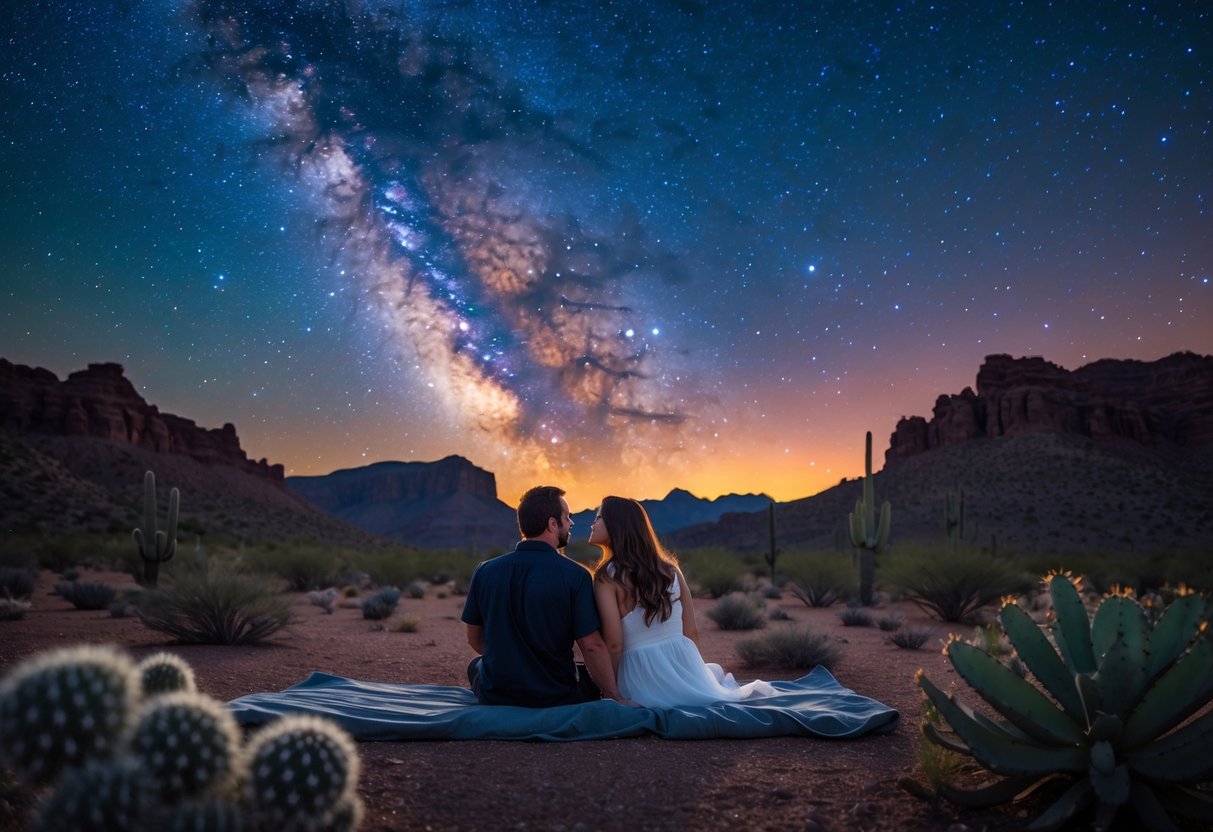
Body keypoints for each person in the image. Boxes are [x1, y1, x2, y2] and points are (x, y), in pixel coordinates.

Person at [589, 496, 776, 708]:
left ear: (617, 524)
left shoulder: (607, 577)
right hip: (681, 663)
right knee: (713, 679)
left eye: (598, 518)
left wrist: (612, 691)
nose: (592, 524)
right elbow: (691, 633)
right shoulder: (671, 570)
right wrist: (693, 674)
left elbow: (614, 644)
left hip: (640, 675)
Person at [461, 485, 627, 707]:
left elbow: (474, 638)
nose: (571, 523)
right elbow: (591, 645)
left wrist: (512, 664)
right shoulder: (575, 576)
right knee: (585, 677)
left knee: (476, 665)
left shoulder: (485, 571)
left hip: (496, 694)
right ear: (552, 524)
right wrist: (614, 696)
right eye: (567, 517)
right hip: (555, 696)